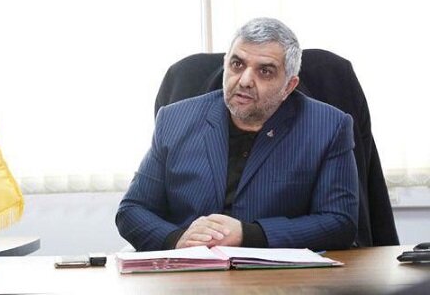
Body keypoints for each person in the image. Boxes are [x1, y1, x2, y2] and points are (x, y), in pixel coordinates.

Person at [116, 17, 359, 252]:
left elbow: (340, 222)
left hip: (274, 274)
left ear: (289, 86)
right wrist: (177, 239)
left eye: (265, 71)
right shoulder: (175, 119)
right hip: (191, 267)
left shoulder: (329, 127)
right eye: (237, 64)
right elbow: (132, 209)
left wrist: (250, 234)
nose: (244, 81)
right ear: (225, 64)